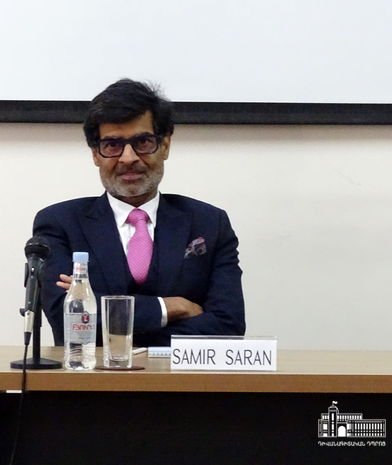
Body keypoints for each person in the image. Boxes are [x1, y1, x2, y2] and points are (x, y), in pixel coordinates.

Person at [33, 78, 245, 346]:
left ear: (165, 145)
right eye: (112, 145)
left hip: (181, 374)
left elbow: (229, 326)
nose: (128, 158)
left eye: (143, 142)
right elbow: (69, 322)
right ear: (95, 154)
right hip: (91, 374)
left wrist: (110, 323)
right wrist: (169, 308)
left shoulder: (209, 223)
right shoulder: (59, 224)